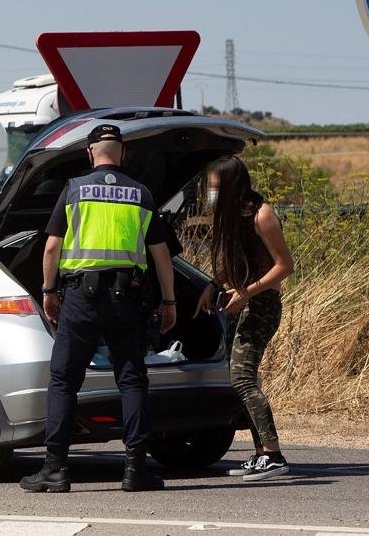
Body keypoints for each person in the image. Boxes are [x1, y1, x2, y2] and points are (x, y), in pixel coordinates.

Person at [20, 124, 178, 493]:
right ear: (121, 153)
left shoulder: (74, 190)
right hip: (127, 298)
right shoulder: (141, 194)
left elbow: (50, 248)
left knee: (63, 381)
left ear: (90, 153)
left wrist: (49, 292)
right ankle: (136, 469)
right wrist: (169, 301)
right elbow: (161, 256)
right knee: (132, 379)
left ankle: (56, 469)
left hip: (80, 299)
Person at [195, 155, 294, 481]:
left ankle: (275, 455)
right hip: (243, 301)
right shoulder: (235, 215)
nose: (210, 193)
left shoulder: (262, 215)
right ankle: (261, 453)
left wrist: (246, 293)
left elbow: (283, 266)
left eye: (214, 186)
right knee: (242, 378)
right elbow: (242, 259)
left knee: (241, 378)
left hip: (261, 304)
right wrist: (214, 283)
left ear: (231, 185)